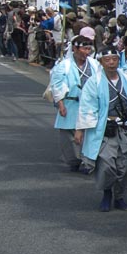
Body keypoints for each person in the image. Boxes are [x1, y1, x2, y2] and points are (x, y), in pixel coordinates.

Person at [74, 46, 127, 211]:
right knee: (107, 164)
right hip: (105, 129)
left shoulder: (126, 78)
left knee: (124, 165)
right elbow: (87, 106)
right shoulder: (94, 81)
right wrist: (80, 129)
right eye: (107, 60)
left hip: (124, 128)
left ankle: (119, 197)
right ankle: (107, 193)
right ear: (101, 62)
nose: (111, 63)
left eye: (114, 59)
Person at [49, 33, 100, 171]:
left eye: (89, 49)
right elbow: (57, 85)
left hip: (89, 104)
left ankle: (87, 161)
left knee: (89, 133)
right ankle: (74, 160)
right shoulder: (64, 65)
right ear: (75, 49)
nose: (86, 53)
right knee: (69, 136)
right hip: (70, 103)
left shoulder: (95, 65)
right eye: (84, 49)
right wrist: (60, 104)